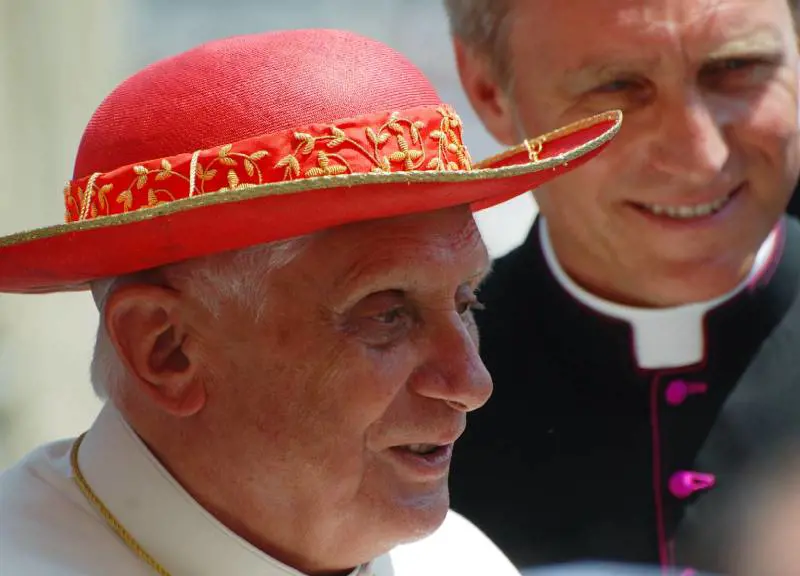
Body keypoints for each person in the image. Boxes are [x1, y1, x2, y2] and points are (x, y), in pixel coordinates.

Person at [0, 29, 621, 576]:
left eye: (466, 304)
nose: (471, 382)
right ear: (166, 349)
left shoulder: (459, 563)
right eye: (387, 314)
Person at [442, 0, 800, 574]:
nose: (699, 158)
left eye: (736, 67)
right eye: (616, 85)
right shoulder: (408, 406)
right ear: (489, 93)